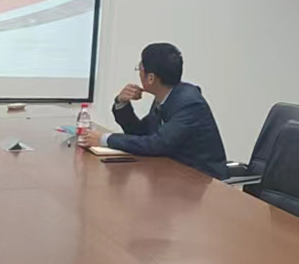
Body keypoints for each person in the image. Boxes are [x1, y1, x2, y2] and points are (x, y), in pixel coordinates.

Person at [77, 42, 229, 180]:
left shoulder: (189, 103)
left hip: (202, 180)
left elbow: (159, 143)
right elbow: (140, 132)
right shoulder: (165, 96)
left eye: (140, 69)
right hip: (171, 173)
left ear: (150, 78)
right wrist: (122, 103)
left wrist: (105, 139)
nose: (139, 73)